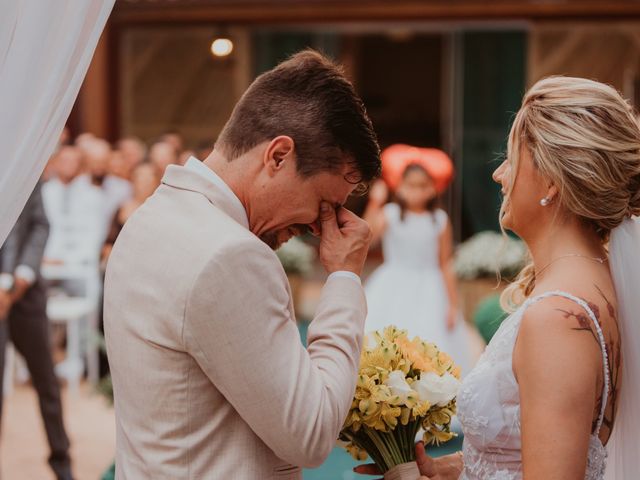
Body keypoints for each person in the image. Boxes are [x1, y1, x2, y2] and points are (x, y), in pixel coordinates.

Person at [103, 50, 380, 479]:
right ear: (278, 156)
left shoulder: (150, 217)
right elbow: (311, 433)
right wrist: (344, 277)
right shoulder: (230, 255)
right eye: (324, 204)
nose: (316, 227)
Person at [361, 77, 640, 479]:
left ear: (551, 182)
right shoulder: (596, 282)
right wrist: (453, 469)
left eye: (511, 158)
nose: (499, 175)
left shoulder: (558, 318)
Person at [363, 163, 471, 373]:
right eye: (411, 185)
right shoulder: (390, 213)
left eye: (422, 186)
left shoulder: (439, 220)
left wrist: (453, 304)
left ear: (432, 189)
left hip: (430, 289)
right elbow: (367, 237)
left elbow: (445, 262)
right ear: (400, 187)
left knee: (430, 340)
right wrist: (375, 202)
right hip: (392, 285)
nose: (416, 191)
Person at [0, 183, 74, 480]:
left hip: (26, 292)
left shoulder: (24, 156)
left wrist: (21, 276)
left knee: (47, 382)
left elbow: (40, 224)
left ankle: (62, 464)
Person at [103, 162, 159, 261]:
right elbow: (108, 244)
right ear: (133, 180)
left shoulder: (160, 211)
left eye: (149, 177)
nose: (145, 181)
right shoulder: (122, 208)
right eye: (141, 176)